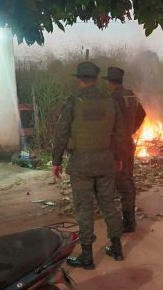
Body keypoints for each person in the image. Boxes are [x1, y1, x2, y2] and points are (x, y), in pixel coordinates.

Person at [52, 61, 126, 270]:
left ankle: (87, 257)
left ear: (79, 79)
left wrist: (56, 161)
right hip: (105, 162)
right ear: (95, 79)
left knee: (84, 210)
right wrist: (118, 158)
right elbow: (120, 134)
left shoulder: (74, 102)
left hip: (81, 165)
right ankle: (117, 248)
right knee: (109, 205)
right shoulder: (110, 101)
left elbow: (61, 133)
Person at [103, 66, 146, 232]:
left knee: (120, 183)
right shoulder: (131, 95)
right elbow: (142, 114)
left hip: (116, 146)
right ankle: (130, 218)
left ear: (109, 82)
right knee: (128, 180)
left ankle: (127, 222)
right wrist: (131, 130)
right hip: (128, 143)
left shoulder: (113, 98)